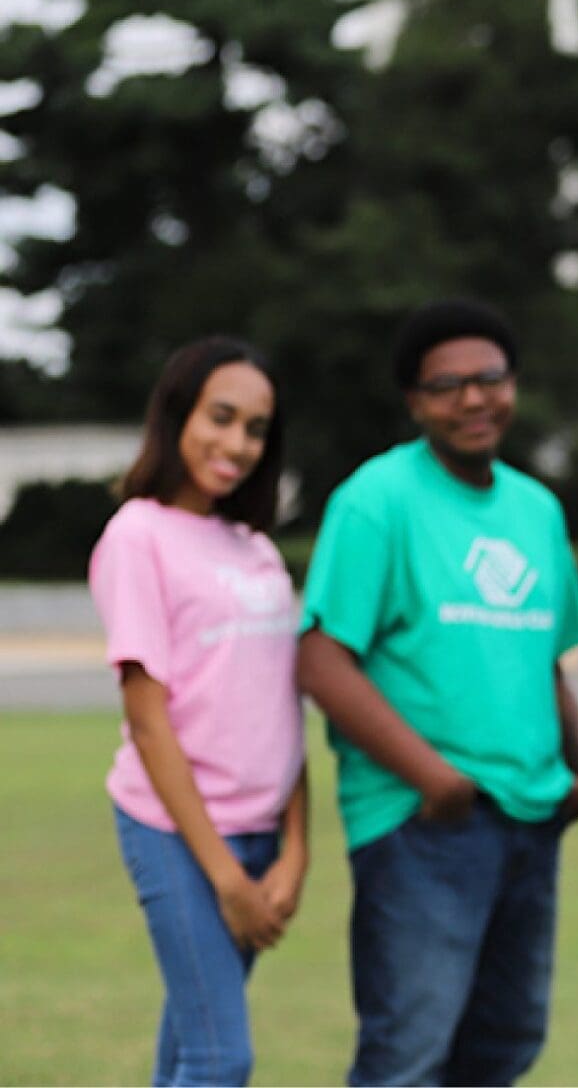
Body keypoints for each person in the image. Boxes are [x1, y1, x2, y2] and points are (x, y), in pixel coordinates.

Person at [297, 298, 578, 1087]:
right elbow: (321, 659)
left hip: (530, 817)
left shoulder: (534, 508)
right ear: (415, 402)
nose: (474, 398)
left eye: (490, 378)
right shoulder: (378, 499)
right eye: (447, 385)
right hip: (424, 824)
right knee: (409, 1052)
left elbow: (541, 657)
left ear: (513, 384)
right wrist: (435, 780)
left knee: (506, 1042)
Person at [89, 336, 307, 1086]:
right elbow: (148, 721)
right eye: (221, 417)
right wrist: (226, 878)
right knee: (221, 1059)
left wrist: (296, 849)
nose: (237, 443)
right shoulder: (137, 535)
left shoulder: (257, 551)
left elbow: (284, 705)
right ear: (178, 413)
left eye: (255, 429)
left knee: (189, 1049)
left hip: (260, 834)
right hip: (177, 832)